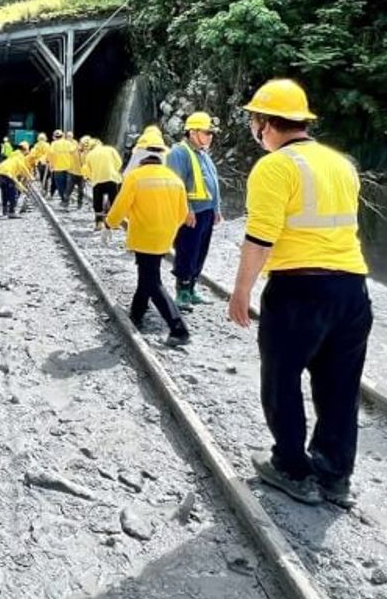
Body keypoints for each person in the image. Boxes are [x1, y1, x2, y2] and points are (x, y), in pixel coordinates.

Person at [227, 79, 370, 508]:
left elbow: (260, 237)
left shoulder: (274, 167)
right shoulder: (342, 164)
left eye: (255, 121)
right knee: (340, 386)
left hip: (298, 289)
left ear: (265, 123)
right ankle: (335, 474)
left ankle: (291, 467)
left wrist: (241, 291)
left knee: (282, 379)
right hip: (352, 288)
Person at [105, 127, 192, 346]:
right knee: (147, 274)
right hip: (164, 238)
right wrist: (167, 228)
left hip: (144, 237)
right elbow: (182, 213)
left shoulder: (135, 177)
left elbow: (120, 206)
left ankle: (179, 329)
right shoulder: (174, 178)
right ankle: (137, 313)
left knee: (153, 282)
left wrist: (109, 224)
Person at [168, 112, 222, 309]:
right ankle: (182, 291)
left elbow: (213, 182)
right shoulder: (179, 153)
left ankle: (191, 288)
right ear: (192, 132)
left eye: (211, 133)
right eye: (206, 132)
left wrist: (216, 208)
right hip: (191, 214)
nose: (210, 136)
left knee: (200, 252)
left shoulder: (202, 154)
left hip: (206, 212)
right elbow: (176, 184)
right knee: (187, 251)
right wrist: (187, 209)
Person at [83, 135, 124, 230]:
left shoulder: (90, 155)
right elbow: (119, 163)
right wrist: (113, 170)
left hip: (97, 181)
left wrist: (92, 177)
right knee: (114, 201)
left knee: (97, 203)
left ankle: (99, 223)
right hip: (112, 179)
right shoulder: (110, 149)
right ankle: (114, 223)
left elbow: (87, 169)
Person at [0, 146, 30, 218]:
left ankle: (5, 211)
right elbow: (23, 169)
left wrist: (23, 188)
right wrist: (30, 177)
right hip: (6, 174)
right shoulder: (19, 159)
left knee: (5, 192)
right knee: (13, 193)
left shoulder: (11, 159)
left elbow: (14, 179)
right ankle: (11, 212)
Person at [49, 130, 78, 204]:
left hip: (58, 168)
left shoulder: (54, 144)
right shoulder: (68, 143)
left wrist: (51, 166)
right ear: (62, 136)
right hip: (68, 168)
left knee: (60, 185)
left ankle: (64, 200)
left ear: (55, 137)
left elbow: (51, 155)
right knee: (67, 184)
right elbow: (75, 153)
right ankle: (67, 198)